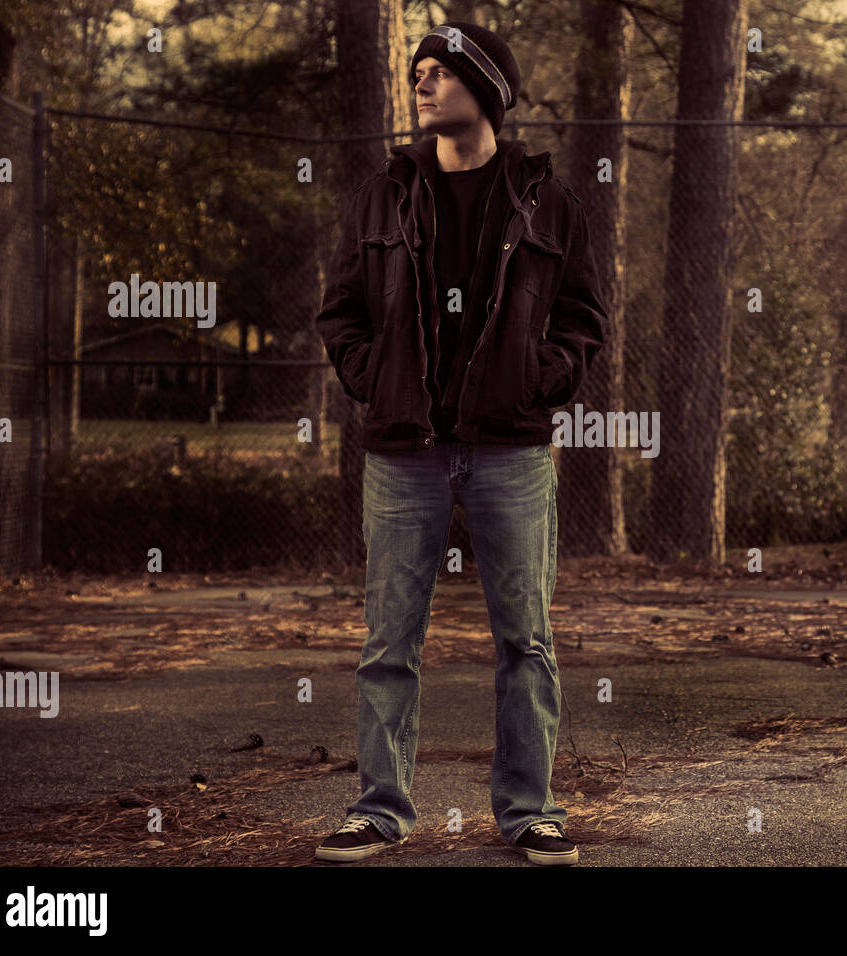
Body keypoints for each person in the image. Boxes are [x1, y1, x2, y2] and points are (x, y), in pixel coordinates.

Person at [313, 20, 607, 866]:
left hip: (510, 450)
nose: (422, 84)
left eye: (441, 71)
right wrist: (374, 377)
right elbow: (340, 311)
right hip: (403, 450)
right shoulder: (383, 196)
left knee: (526, 640)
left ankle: (530, 813)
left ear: (486, 90)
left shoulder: (546, 204)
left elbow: (585, 317)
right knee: (388, 642)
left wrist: (542, 380)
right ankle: (379, 810)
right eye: (417, 72)